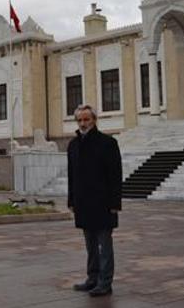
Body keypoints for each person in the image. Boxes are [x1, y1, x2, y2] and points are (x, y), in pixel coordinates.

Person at [67, 104, 122, 297]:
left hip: (104, 203)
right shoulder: (73, 145)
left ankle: (105, 283)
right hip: (83, 203)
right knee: (90, 245)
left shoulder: (107, 143)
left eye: (86, 119)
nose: (83, 123)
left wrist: (115, 203)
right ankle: (92, 278)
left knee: (104, 245)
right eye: (80, 120)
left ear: (94, 120)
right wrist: (71, 201)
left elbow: (115, 175)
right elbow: (71, 175)